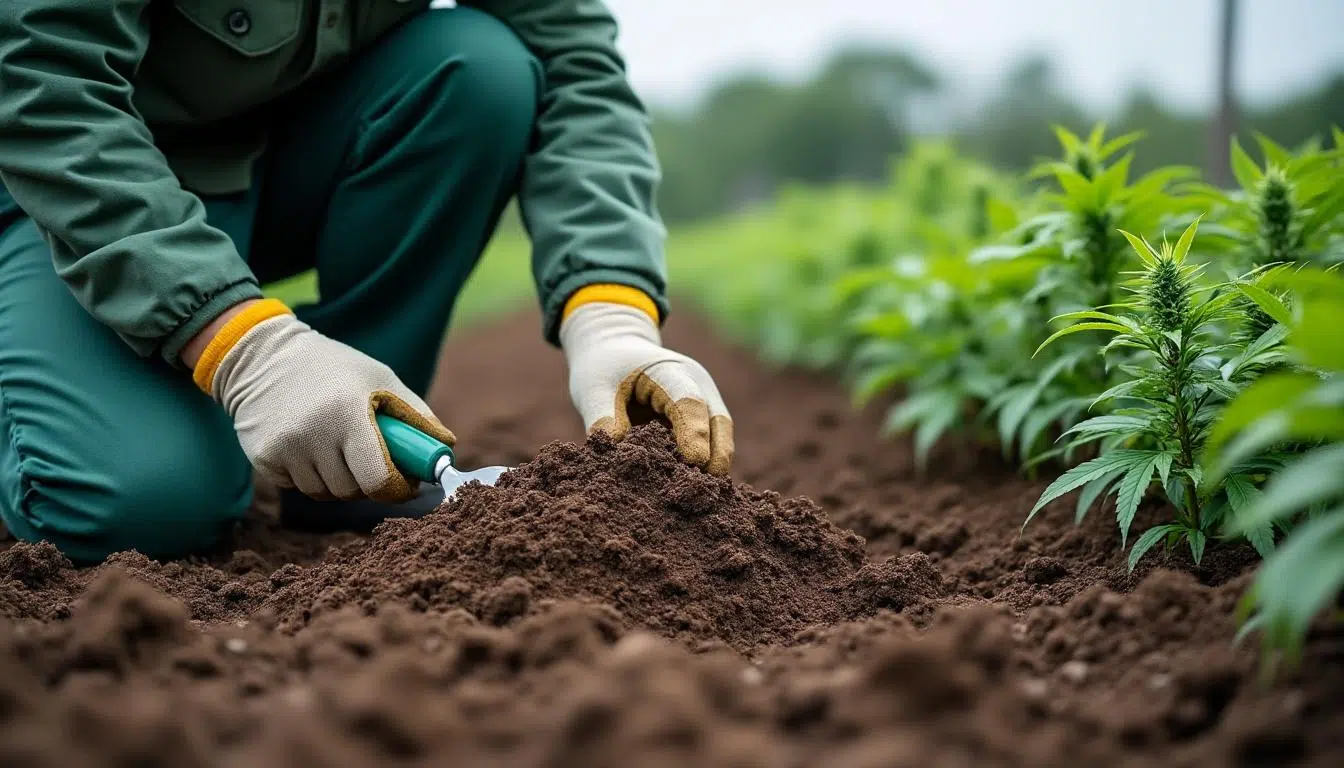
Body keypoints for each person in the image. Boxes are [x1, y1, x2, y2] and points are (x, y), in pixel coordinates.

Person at [0, 0, 734, 564]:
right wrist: (246, 347)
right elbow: (45, 84)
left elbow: (574, 66)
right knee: (128, 504)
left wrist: (611, 317)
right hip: (60, 187)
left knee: (479, 70)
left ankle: (351, 470)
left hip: (273, 161)